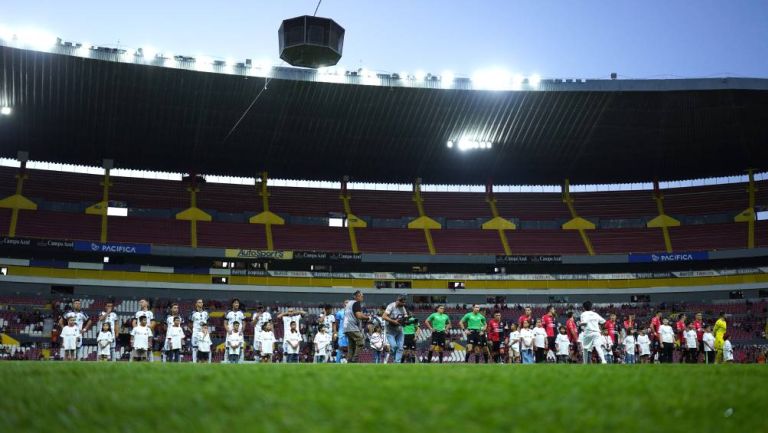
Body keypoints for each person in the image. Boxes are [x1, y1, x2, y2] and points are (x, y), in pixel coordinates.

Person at [343, 291, 370, 363]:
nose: (362, 297)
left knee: (352, 345)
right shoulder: (356, 303)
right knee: (361, 342)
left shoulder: (349, 303)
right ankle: (355, 360)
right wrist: (368, 318)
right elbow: (359, 315)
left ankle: (349, 360)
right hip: (352, 326)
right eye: (361, 296)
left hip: (346, 327)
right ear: (356, 297)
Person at [382, 295, 408, 364]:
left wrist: (405, 321)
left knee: (400, 348)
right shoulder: (391, 306)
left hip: (399, 330)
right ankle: (395, 358)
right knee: (394, 347)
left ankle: (397, 363)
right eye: (403, 303)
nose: (404, 304)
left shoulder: (403, 307)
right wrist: (393, 321)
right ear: (398, 301)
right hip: (390, 330)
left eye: (404, 303)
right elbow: (384, 316)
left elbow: (406, 316)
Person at [189, 299, 209, 363]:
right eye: (199, 302)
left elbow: (207, 322)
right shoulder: (193, 313)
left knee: (204, 348)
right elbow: (190, 324)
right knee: (195, 348)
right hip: (196, 333)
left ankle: (203, 362)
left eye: (201, 302)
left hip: (204, 333)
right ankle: (194, 362)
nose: (200, 303)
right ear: (196, 304)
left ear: (203, 304)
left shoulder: (206, 313)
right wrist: (194, 331)